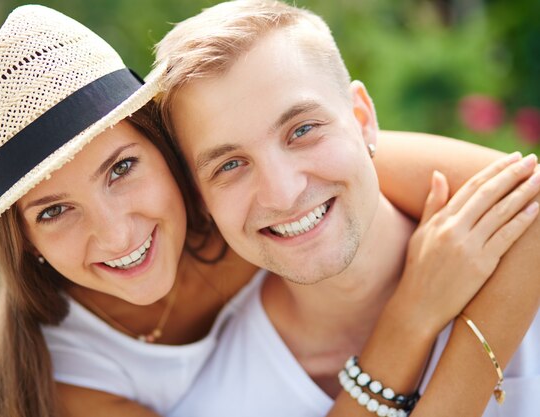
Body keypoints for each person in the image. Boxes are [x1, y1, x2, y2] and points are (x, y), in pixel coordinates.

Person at [0, 4, 537, 417]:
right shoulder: (72, 377)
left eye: (121, 169)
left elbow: (529, 199)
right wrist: (414, 315)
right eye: (53, 211)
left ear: (168, 155)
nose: (115, 233)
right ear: (21, 240)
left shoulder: (255, 194)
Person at [153, 1, 540, 416]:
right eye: (229, 165)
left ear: (362, 117)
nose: (282, 194)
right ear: (199, 198)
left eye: (302, 130)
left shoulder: (525, 258)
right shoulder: (218, 405)